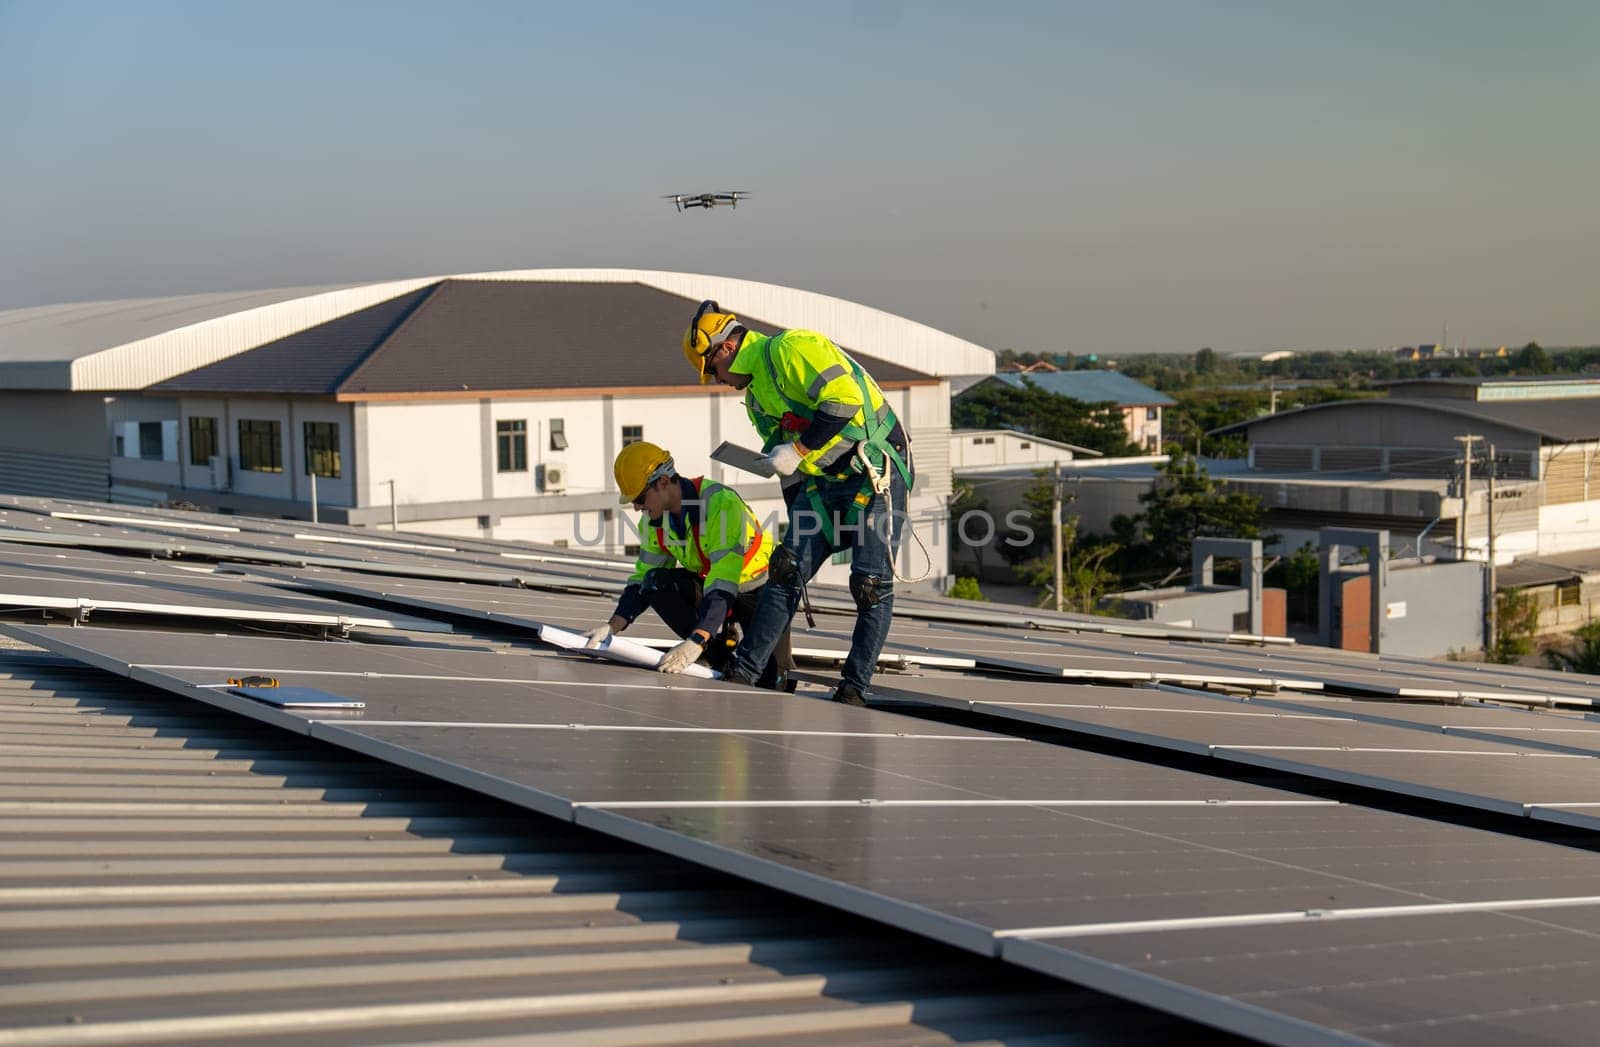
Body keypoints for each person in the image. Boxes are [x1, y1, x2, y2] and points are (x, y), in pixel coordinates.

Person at [680, 300, 913, 706]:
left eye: (712, 370)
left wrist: (800, 448)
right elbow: (785, 461)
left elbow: (843, 401)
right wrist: (798, 510)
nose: (718, 380)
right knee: (786, 570)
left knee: (870, 585)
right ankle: (744, 673)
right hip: (823, 483)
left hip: (874, 470)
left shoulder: (791, 348)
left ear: (725, 349)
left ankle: (854, 689)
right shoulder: (755, 398)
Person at [584, 440, 793, 688]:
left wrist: (696, 640)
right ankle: (718, 659)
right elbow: (643, 579)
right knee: (655, 583)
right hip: (713, 589)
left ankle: (705, 646)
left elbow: (724, 579)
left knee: (775, 681)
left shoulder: (719, 504)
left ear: (663, 483)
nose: (637, 507)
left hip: (761, 592)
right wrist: (612, 626)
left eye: (640, 498)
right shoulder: (654, 522)